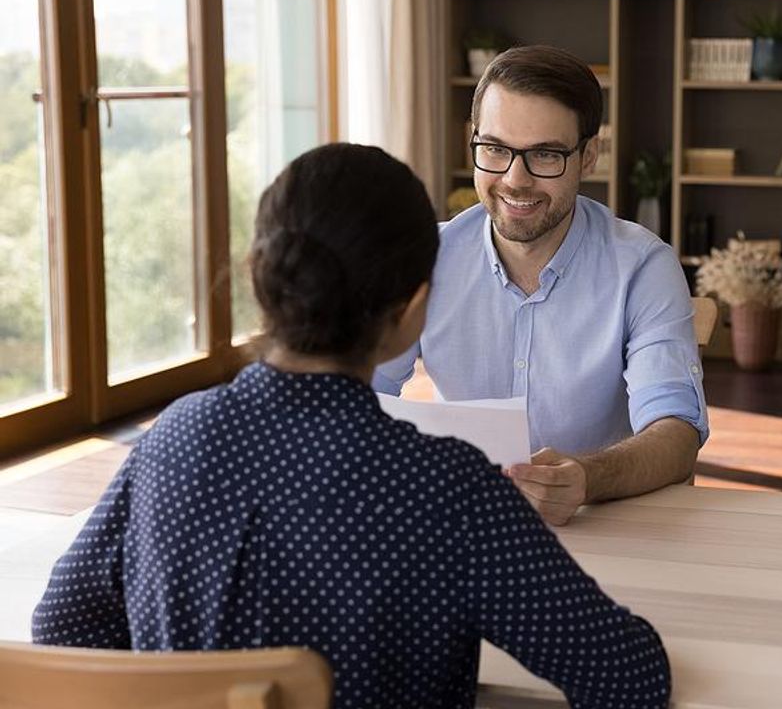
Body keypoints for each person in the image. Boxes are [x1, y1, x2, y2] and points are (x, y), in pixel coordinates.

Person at [31, 143, 671, 708]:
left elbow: (62, 625)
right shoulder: (447, 489)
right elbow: (629, 679)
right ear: (415, 307)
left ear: (260, 278)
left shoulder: (173, 438)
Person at [373, 45, 708, 525]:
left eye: (545, 154)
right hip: (464, 525)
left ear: (588, 155)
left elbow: (676, 434)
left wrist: (587, 477)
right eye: (495, 149)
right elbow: (363, 393)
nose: (515, 179)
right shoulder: (423, 258)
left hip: (603, 523)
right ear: (473, 142)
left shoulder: (642, 267)